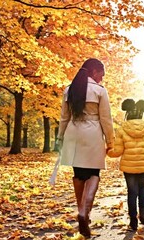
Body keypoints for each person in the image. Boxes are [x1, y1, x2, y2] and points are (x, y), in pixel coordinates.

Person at [56, 58, 114, 237]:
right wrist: (110, 141)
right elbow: (106, 119)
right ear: (94, 71)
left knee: (79, 174)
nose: (101, 79)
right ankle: (84, 212)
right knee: (94, 174)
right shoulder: (99, 91)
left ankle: (81, 210)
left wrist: (60, 138)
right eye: (101, 75)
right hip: (93, 134)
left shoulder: (69, 90)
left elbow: (64, 117)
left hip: (73, 134)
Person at [107, 99, 144, 231]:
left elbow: (118, 151)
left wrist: (109, 152)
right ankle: (143, 213)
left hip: (129, 167)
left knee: (132, 192)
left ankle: (133, 220)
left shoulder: (122, 129)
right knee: (142, 188)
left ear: (128, 114)